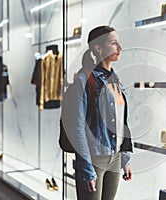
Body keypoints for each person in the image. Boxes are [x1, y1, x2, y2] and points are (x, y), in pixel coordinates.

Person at [70, 26, 133, 200]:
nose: (120, 48)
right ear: (98, 48)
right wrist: (86, 168)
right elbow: (76, 128)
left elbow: (122, 122)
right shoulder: (84, 80)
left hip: (116, 157)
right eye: (114, 43)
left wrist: (125, 159)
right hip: (94, 159)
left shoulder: (116, 79)